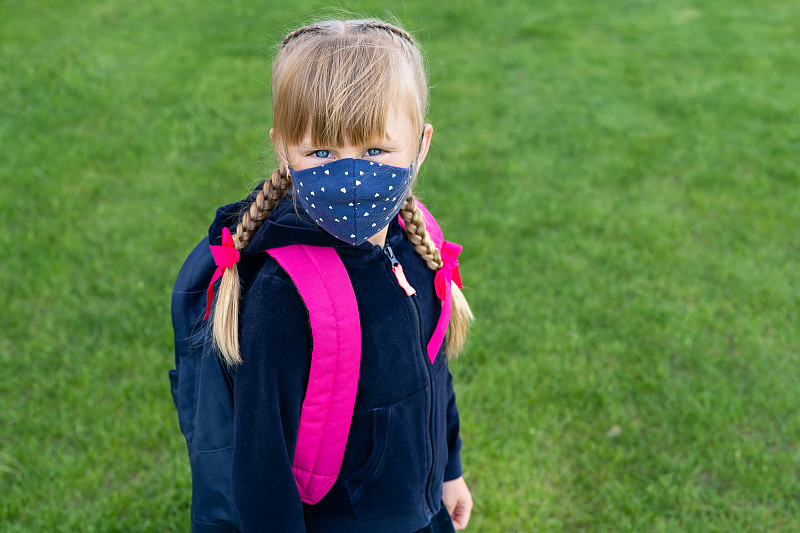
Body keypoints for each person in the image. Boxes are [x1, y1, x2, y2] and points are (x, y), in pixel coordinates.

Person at [201, 18, 474, 532]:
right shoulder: (286, 294)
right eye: (322, 153)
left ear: (422, 143)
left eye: (375, 151)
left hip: (422, 509)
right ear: (284, 149)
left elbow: (433, 371)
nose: (352, 176)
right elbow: (263, 466)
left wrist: (449, 472)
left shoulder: (418, 242)